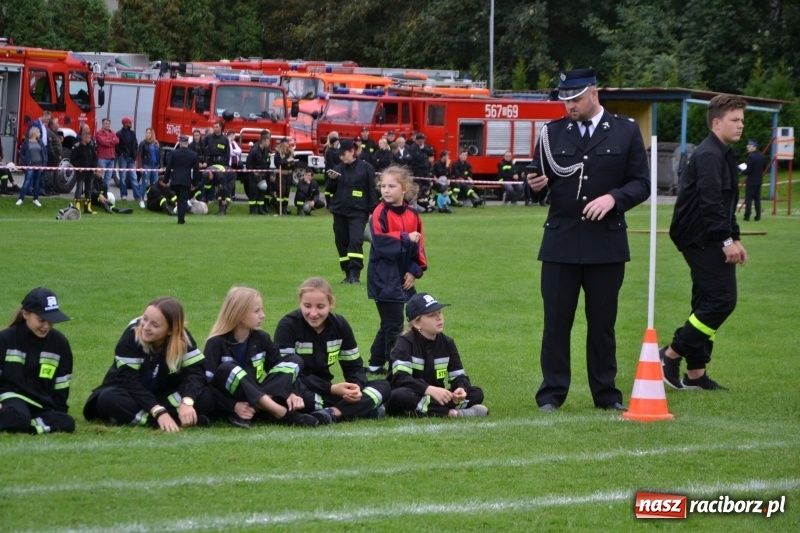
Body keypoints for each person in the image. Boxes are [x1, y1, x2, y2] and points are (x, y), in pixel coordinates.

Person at [525, 68, 650, 412]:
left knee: (602, 325)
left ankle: (606, 394)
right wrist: (533, 187)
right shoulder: (551, 133)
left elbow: (641, 183)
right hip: (561, 243)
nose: (570, 106)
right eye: (565, 100)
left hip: (605, 243)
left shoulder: (625, 130)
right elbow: (537, 181)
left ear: (594, 93)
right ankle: (551, 394)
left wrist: (614, 198)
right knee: (555, 325)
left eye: (576, 99)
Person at [660, 94, 749, 391]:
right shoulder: (709, 155)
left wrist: (735, 237)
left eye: (742, 120)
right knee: (721, 300)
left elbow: (726, 204)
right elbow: (710, 203)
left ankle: (695, 373)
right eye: (734, 120)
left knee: (706, 301)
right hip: (698, 236)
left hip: (710, 234)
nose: (741, 125)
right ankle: (669, 355)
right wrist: (726, 240)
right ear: (716, 123)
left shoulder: (724, 153)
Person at [83, 297, 213, 431]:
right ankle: (168, 421)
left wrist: (187, 401)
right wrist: (158, 411)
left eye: (155, 325)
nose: (145, 327)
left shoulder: (182, 337)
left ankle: (140, 417)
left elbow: (196, 373)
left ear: (170, 330)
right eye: (144, 319)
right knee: (108, 398)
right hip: (130, 393)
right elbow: (128, 381)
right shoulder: (131, 336)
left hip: (160, 395)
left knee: (206, 395)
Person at [274, 277, 391, 422]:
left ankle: (333, 412)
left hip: (328, 391)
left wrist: (355, 388)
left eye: (320, 306)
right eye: (307, 306)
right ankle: (363, 409)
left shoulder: (340, 325)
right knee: (299, 400)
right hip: (299, 388)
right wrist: (331, 389)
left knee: (384, 386)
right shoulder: (288, 326)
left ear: (331, 304)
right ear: (300, 303)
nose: (313, 313)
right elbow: (284, 376)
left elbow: (354, 367)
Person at [204, 287, 322, 429]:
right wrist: (233, 405)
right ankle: (281, 413)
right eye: (256, 311)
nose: (263, 315)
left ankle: (258, 408)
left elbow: (280, 370)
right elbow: (206, 386)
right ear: (239, 315)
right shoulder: (215, 343)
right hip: (229, 399)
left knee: (294, 360)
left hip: (258, 394)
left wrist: (291, 392)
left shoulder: (261, 338)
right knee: (227, 368)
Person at [386, 292, 488, 418]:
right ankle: (453, 413)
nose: (439, 317)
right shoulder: (405, 342)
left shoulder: (447, 343)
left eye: (439, 312)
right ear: (417, 323)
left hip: (434, 396)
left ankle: (422, 409)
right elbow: (401, 379)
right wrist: (429, 389)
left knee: (476, 393)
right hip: (410, 393)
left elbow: (459, 376)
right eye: (431, 315)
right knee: (400, 396)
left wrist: (461, 389)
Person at [366, 165, 427, 375]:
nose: (386, 190)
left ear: (404, 188)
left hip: (403, 276)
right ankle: (395, 366)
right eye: (383, 186)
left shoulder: (413, 215)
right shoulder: (379, 212)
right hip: (383, 276)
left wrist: (414, 271)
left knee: (393, 321)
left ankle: (375, 364)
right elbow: (380, 243)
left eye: (391, 186)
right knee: (394, 322)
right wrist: (404, 237)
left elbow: (419, 246)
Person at [0, 287, 75, 434]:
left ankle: (25, 426)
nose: (46, 326)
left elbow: (61, 385)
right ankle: (24, 423)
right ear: (25, 314)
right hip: (10, 397)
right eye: (41, 320)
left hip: (40, 404)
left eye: (51, 321)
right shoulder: (5, 339)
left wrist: (58, 412)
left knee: (67, 422)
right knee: (18, 415)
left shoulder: (60, 343)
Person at [326, 138, 379, 284]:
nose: (341, 157)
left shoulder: (366, 168)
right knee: (341, 242)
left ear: (352, 151)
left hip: (358, 212)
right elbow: (329, 190)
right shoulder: (338, 169)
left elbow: (372, 190)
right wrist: (332, 180)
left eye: (344, 154)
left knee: (355, 241)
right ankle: (347, 273)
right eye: (340, 155)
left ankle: (355, 274)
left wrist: (373, 211)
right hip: (339, 211)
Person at [163, 135, 200, 224]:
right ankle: (181, 219)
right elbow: (196, 171)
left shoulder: (174, 153)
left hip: (175, 180)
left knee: (178, 199)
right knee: (183, 200)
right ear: (187, 143)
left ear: (180, 143)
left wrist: (165, 180)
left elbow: (168, 167)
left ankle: (179, 216)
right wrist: (195, 183)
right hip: (185, 180)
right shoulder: (193, 155)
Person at [70, 129, 100, 215]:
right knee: (79, 189)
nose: (90, 139)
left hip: (90, 172)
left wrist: (93, 167)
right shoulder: (77, 147)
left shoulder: (91, 147)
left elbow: (95, 158)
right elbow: (72, 159)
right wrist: (78, 167)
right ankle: (77, 208)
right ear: (84, 137)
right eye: (88, 137)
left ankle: (88, 208)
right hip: (81, 172)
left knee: (89, 189)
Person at [16, 126, 47, 207]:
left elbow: (44, 153)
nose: (40, 134)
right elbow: (22, 153)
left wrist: (44, 162)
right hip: (30, 165)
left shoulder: (40, 142)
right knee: (27, 181)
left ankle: (35, 199)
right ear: (34, 132)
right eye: (38, 132)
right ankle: (21, 198)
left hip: (39, 165)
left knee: (37, 182)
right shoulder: (26, 143)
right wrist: (27, 161)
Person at [244, 130, 272, 215]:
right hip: (254, 175)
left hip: (262, 174)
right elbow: (249, 164)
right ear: (263, 141)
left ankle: (260, 209)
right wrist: (254, 174)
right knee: (254, 192)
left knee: (261, 192)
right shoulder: (255, 150)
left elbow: (267, 162)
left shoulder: (266, 150)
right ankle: (253, 210)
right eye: (268, 141)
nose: (269, 143)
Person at [116, 117, 142, 206]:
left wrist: (135, 153)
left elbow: (136, 144)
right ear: (125, 123)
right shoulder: (119, 133)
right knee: (122, 177)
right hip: (123, 157)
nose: (131, 123)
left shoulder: (132, 133)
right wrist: (121, 153)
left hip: (131, 157)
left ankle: (137, 196)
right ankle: (123, 195)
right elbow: (117, 146)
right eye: (129, 122)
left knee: (134, 177)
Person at [743, 139, 765, 221]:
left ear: (754, 147)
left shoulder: (750, 156)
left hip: (751, 181)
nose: (747, 147)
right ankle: (758, 216)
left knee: (749, 199)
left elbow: (748, 170)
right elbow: (764, 167)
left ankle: (747, 216)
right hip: (759, 180)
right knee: (757, 199)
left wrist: (742, 170)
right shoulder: (761, 156)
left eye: (749, 146)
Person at [95, 118, 119, 195]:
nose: (107, 125)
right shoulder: (98, 133)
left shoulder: (112, 132)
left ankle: (106, 193)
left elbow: (117, 141)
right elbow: (103, 142)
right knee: (101, 176)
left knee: (108, 178)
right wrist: (111, 141)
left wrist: (108, 141)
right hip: (102, 158)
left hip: (111, 158)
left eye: (108, 124)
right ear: (102, 124)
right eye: (105, 123)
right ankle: (100, 193)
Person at [272, 137, 295, 214]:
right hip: (281, 174)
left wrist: (292, 163)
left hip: (289, 174)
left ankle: (285, 207)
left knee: (287, 192)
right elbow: (278, 163)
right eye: (286, 142)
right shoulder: (278, 152)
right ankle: (279, 207)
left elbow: (293, 162)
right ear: (282, 143)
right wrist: (287, 161)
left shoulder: (290, 151)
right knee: (281, 191)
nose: (288, 143)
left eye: (288, 142)